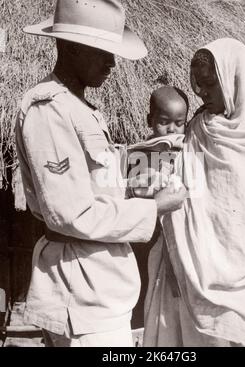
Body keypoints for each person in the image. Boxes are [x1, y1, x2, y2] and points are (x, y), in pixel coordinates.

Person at [15, 0, 186, 347]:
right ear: (72, 48)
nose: (111, 63)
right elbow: (71, 213)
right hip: (81, 287)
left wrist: (135, 172)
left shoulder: (80, 108)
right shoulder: (49, 110)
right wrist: (155, 207)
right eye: (102, 52)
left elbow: (92, 181)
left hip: (101, 284)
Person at [143, 38, 245, 347]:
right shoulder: (197, 126)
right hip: (188, 261)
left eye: (210, 84)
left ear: (235, 78)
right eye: (198, 85)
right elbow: (175, 187)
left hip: (239, 262)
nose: (202, 93)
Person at [129, 86, 188, 329]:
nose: (172, 130)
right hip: (148, 236)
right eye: (164, 122)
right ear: (149, 120)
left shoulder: (188, 152)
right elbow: (137, 191)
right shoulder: (139, 153)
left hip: (177, 236)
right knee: (146, 285)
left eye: (179, 123)